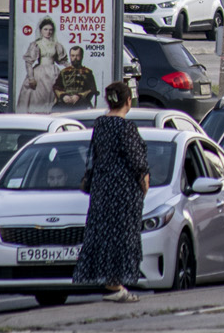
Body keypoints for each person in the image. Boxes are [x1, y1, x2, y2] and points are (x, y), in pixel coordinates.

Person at [73, 81, 150, 304]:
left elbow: (95, 156)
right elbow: (138, 162)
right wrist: (143, 186)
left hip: (102, 189)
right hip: (123, 191)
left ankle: (112, 284)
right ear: (128, 101)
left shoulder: (101, 124)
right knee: (123, 236)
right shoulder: (126, 127)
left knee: (105, 235)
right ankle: (115, 285)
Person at [17, 17, 67, 113]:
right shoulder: (36, 45)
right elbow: (29, 62)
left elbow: (62, 60)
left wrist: (71, 68)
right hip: (40, 74)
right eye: (46, 29)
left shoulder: (56, 45)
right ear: (41, 30)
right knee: (39, 98)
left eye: (50, 30)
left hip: (54, 73)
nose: (48, 32)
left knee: (54, 96)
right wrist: (31, 77)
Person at [54, 45, 99, 110]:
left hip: (81, 101)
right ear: (70, 57)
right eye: (73, 56)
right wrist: (63, 96)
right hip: (65, 100)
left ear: (81, 56)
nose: (75, 58)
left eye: (77, 56)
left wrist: (79, 96)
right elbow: (56, 87)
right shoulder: (64, 72)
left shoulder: (87, 72)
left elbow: (92, 89)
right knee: (55, 109)